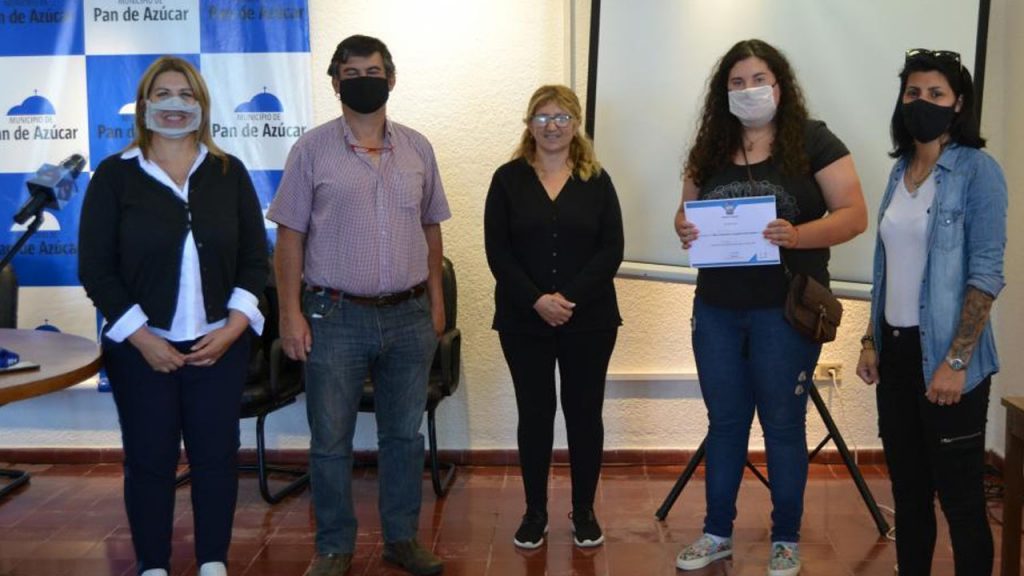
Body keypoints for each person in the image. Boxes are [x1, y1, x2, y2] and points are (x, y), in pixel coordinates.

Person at [673, 39, 867, 575]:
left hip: (786, 312)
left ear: (780, 85)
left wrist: (798, 235)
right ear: (724, 92)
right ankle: (717, 533)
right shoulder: (710, 146)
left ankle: (785, 539)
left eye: (759, 79)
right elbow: (685, 213)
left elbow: (854, 215)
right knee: (724, 422)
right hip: (717, 309)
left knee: (783, 425)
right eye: (737, 82)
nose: (748, 90)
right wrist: (683, 227)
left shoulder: (813, 140)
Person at [78, 56, 268, 576]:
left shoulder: (229, 173)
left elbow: (255, 260)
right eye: (162, 94)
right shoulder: (114, 176)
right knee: (149, 460)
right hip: (140, 350)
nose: (175, 104)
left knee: (216, 458)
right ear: (144, 106)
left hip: (218, 346)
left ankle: (212, 562)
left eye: (186, 95)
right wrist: (143, 339)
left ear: (202, 106)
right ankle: (153, 565)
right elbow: (96, 269)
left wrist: (233, 328)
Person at [267, 35, 449, 576]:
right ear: (335, 83)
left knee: (403, 436)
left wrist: (437, 304)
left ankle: (401, 540)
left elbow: (431, 229)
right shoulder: (311, 150)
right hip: (333, 316)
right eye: (351, 73)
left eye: (373, 72)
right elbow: (289, 238)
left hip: (409, 315)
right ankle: (333, 547)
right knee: (330, 441)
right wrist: (290, 314)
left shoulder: (418, 148)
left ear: (391, 79)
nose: (363, 81)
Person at [856, 49, 1007, 576]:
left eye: (936, 94)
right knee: (909, 494)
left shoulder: (978, 172)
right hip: (896, 355)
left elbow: (986, 274)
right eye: (913, 93)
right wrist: (870, 340)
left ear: (958, 103)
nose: (922, 102)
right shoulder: (900, 171)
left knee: (961, 501)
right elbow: (886, 267)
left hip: (948, 359)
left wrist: (956, 362)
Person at [484, 85, 624, 550]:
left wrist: (567, 298)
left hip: (590, 320)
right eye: (542, 117)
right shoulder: (507, 180)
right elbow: (498, 252)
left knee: (584, 415)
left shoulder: (597, 180)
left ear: (576, 124)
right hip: (523, 321)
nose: (552, 126)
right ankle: (535, 513)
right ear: (529, 124)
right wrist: (537, 300)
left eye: (562, 117)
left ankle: (584, 512)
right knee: (535, 415)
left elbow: (611, 249)